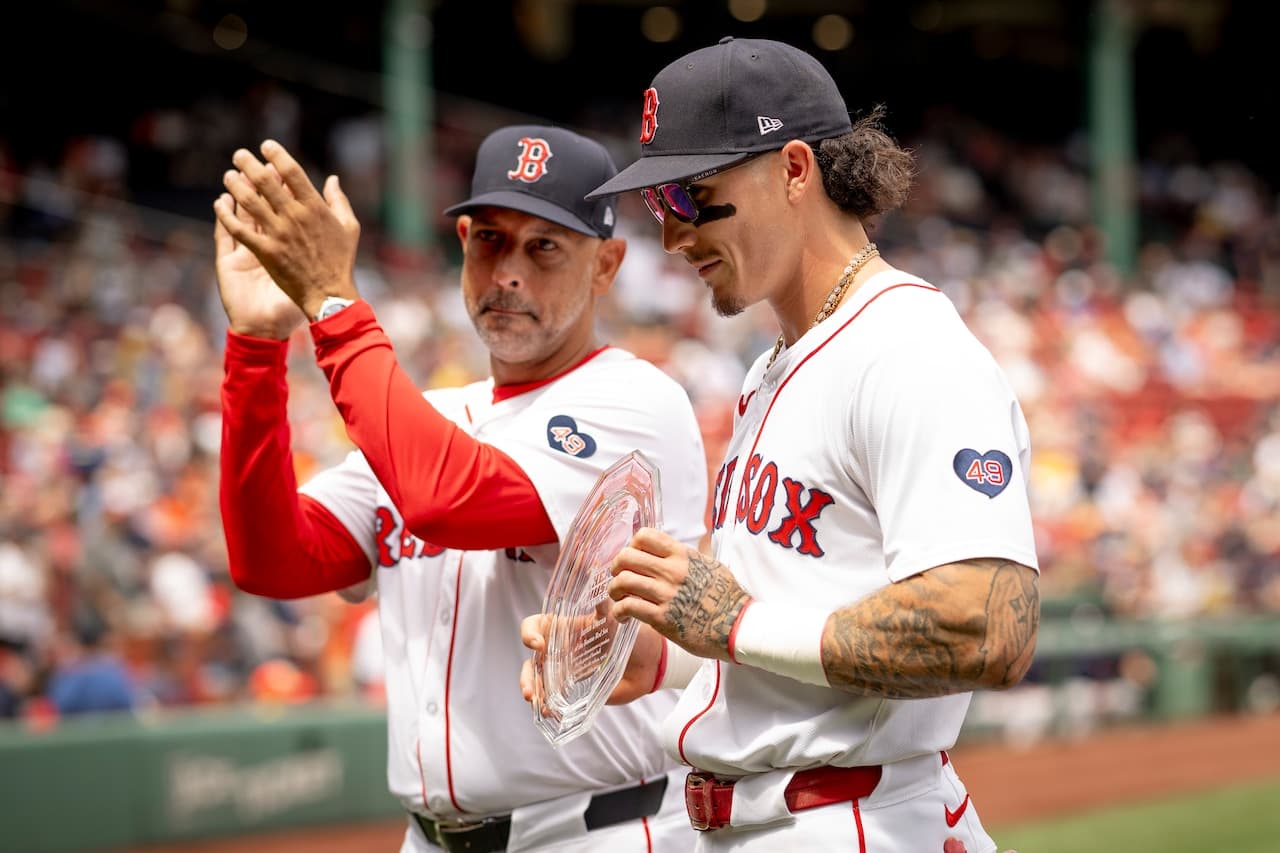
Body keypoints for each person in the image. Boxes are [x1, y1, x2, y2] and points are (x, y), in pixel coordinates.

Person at [525, 37, 1040, 852]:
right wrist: (657, 660)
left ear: (795, 169)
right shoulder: (776, 365)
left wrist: (732, 621)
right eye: (660, 207)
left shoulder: (908, 349)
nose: (673, 236)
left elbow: (988, 625)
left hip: (855, 819)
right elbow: (786, 620)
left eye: (693, 196)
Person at [212, 124, 708, 852]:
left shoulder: (636, 399)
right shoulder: (435, 418)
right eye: (490, 240)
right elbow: (272, 558)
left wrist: (332, 303)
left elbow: (444, 498)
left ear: (606, 265)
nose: (509, 271)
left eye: (544, 246)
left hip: (596, 830)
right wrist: (255, 347)